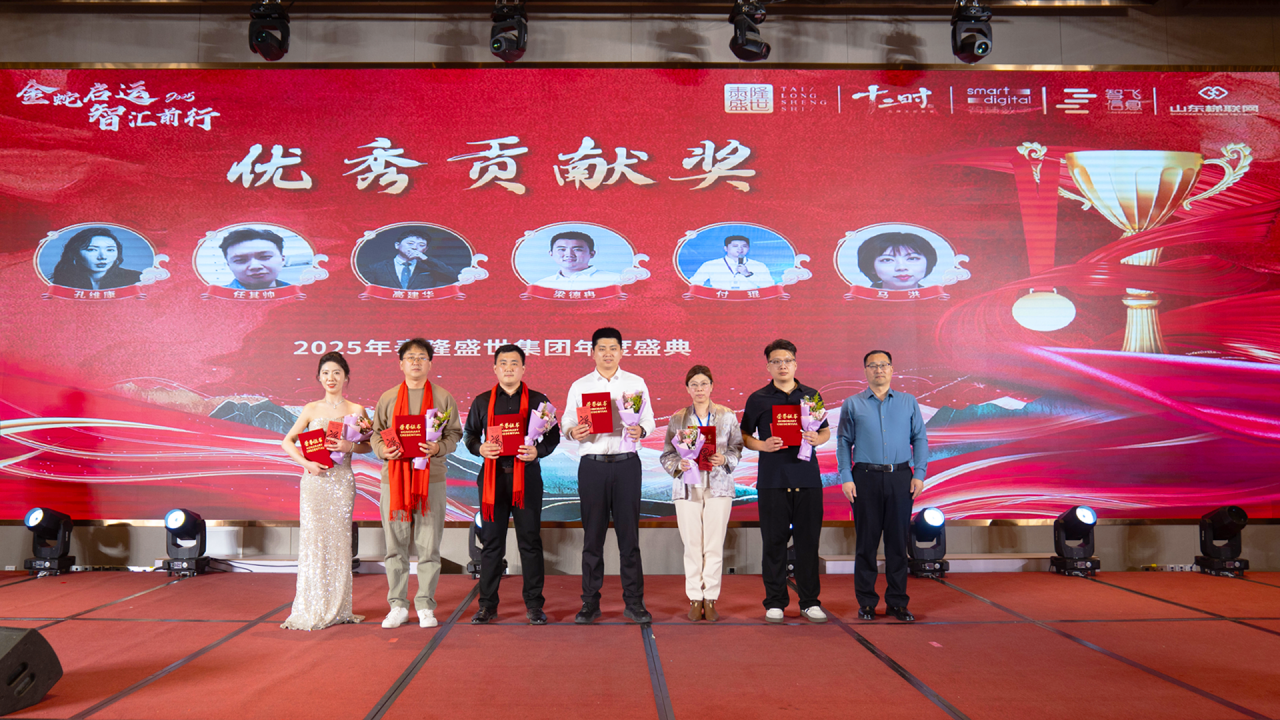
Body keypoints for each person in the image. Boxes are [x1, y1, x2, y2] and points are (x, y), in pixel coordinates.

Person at [562, 327, 656, 624]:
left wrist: (641, 430)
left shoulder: (635, 382)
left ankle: (634, 602)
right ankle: (590, 602)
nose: (607, 353)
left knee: (629, 537)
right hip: (593, 465)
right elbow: (567, 419)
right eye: (601, 348)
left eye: (613, 348)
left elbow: (649, 418)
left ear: (622, 351)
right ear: (592, 352)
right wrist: (572, 431)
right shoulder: (580, 385)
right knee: (593, 537)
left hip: (627, 464)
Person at [462, 344, 561, 625]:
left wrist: (538, 451)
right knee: (492, 543)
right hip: (493, 479)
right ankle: (487, 605)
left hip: (526, 478)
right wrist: (480, 448)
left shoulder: (539, 401)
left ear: (523, 368)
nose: (508, 368)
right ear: (495, 368)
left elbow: (553, 435)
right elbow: (469, 435)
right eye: (503, 363)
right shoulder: (482, 401)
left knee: (530, 542)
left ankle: (534, 605)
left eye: (514, 363)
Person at [369, 338, 463, 629]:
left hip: (431, 479)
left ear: (430, 363)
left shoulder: (443, 397)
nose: (416, 362)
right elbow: (375, 434)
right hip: (394, 479)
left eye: (422, 357)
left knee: (428, 545)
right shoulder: (387, 398)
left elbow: (454, 434)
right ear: (401, 364)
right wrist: (383, 450)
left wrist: (438, 447)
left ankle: (425, 604)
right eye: (410, 357)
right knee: (395, 545)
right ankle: (397, 605)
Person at [740, 339, 830, 624]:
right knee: (774, 544)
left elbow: (825, 431)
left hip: (807, 479)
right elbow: (744, 436)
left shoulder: (811, 395)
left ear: (795, 364)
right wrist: (762, 445)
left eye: (787, 360)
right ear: (768, 366)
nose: (782, 365)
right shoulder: (758, 398)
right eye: (776, 361)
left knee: (808, 544)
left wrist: (817, 439)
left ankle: (810, 602)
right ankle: (775, 602)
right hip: (773, 480)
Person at [836, 350, 929, 623]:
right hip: (864, 478)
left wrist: (919, 473)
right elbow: (843, 442)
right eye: (873, 365)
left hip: (901, 477)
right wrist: (846, 476)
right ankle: (866, 603)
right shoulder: (852, 404)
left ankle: (897, 603)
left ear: (892, 369)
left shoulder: (908, 401)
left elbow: (919, 438)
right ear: (865, 370)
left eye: (884, 365)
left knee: (897, 544)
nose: (879, 369)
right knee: (866, 543)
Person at [279, 351, 369, 631]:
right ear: (319, 378)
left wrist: (348, 446)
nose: (331, 378)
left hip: (342, 483)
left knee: (340, 544)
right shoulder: (311, 408)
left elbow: (370, 444)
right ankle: (312, 605)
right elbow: (287, 442)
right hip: (314, 483)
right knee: (313, 543)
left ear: (346, 377)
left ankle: (338, 607)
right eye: (326, 373)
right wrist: (306, 463)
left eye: (337, 373)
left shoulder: (357, 410)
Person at [659, 364, 744, 622]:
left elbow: (737, 447)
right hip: (687, 486)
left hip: (719, 486)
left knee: (714, 544)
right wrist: (679, 464)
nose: (699, 389)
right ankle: (695, 597)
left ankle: (711, 597)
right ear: (687, 389)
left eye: (703, 384)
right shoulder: (678, 418)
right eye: (694, 385)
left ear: (711, 387)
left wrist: (724, 458)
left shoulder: (726, 415)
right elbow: (667, 454)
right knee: (692, 544)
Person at [362, 229, 461, 290]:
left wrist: (426, 259)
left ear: (425, 250)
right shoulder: (376, 268)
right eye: (410, 243)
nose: (414, 247)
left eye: (421, 245)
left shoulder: (430, 267)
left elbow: (453, 278)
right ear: (397, 245)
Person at [49, 227, 142, 290]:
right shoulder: (64, 280)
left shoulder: (136, 279)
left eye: (110, 250)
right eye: (92, 250)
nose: (103, 257)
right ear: (75, 253)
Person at [533, 231, 622, 291]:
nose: (569, 254)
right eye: (562, 249)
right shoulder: (541, 285)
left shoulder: (615, 281)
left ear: (592, 254)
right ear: (551, 253)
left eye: (577, 249)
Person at [687, 235, 775, 291]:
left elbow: (770, 286)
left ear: (748, 248)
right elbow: (693, 284)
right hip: (719, 302)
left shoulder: (759, 265)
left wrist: (748, 274)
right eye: (735, 246)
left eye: (744, 246)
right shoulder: (710, 265)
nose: (740, 249)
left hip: (749, 303)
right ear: (725, 248)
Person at [856, 232, 937, 291]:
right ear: (871, 267)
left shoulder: (937, 300)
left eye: (912, 258)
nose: (901, 267)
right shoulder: (858, 302)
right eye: (887, 260)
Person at [219, 227, 292, 291]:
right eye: (240, 260)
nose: (255, 266)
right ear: (229, 265)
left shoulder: (297, 294)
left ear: (282, 260)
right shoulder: (216, 298)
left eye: (265, 257)